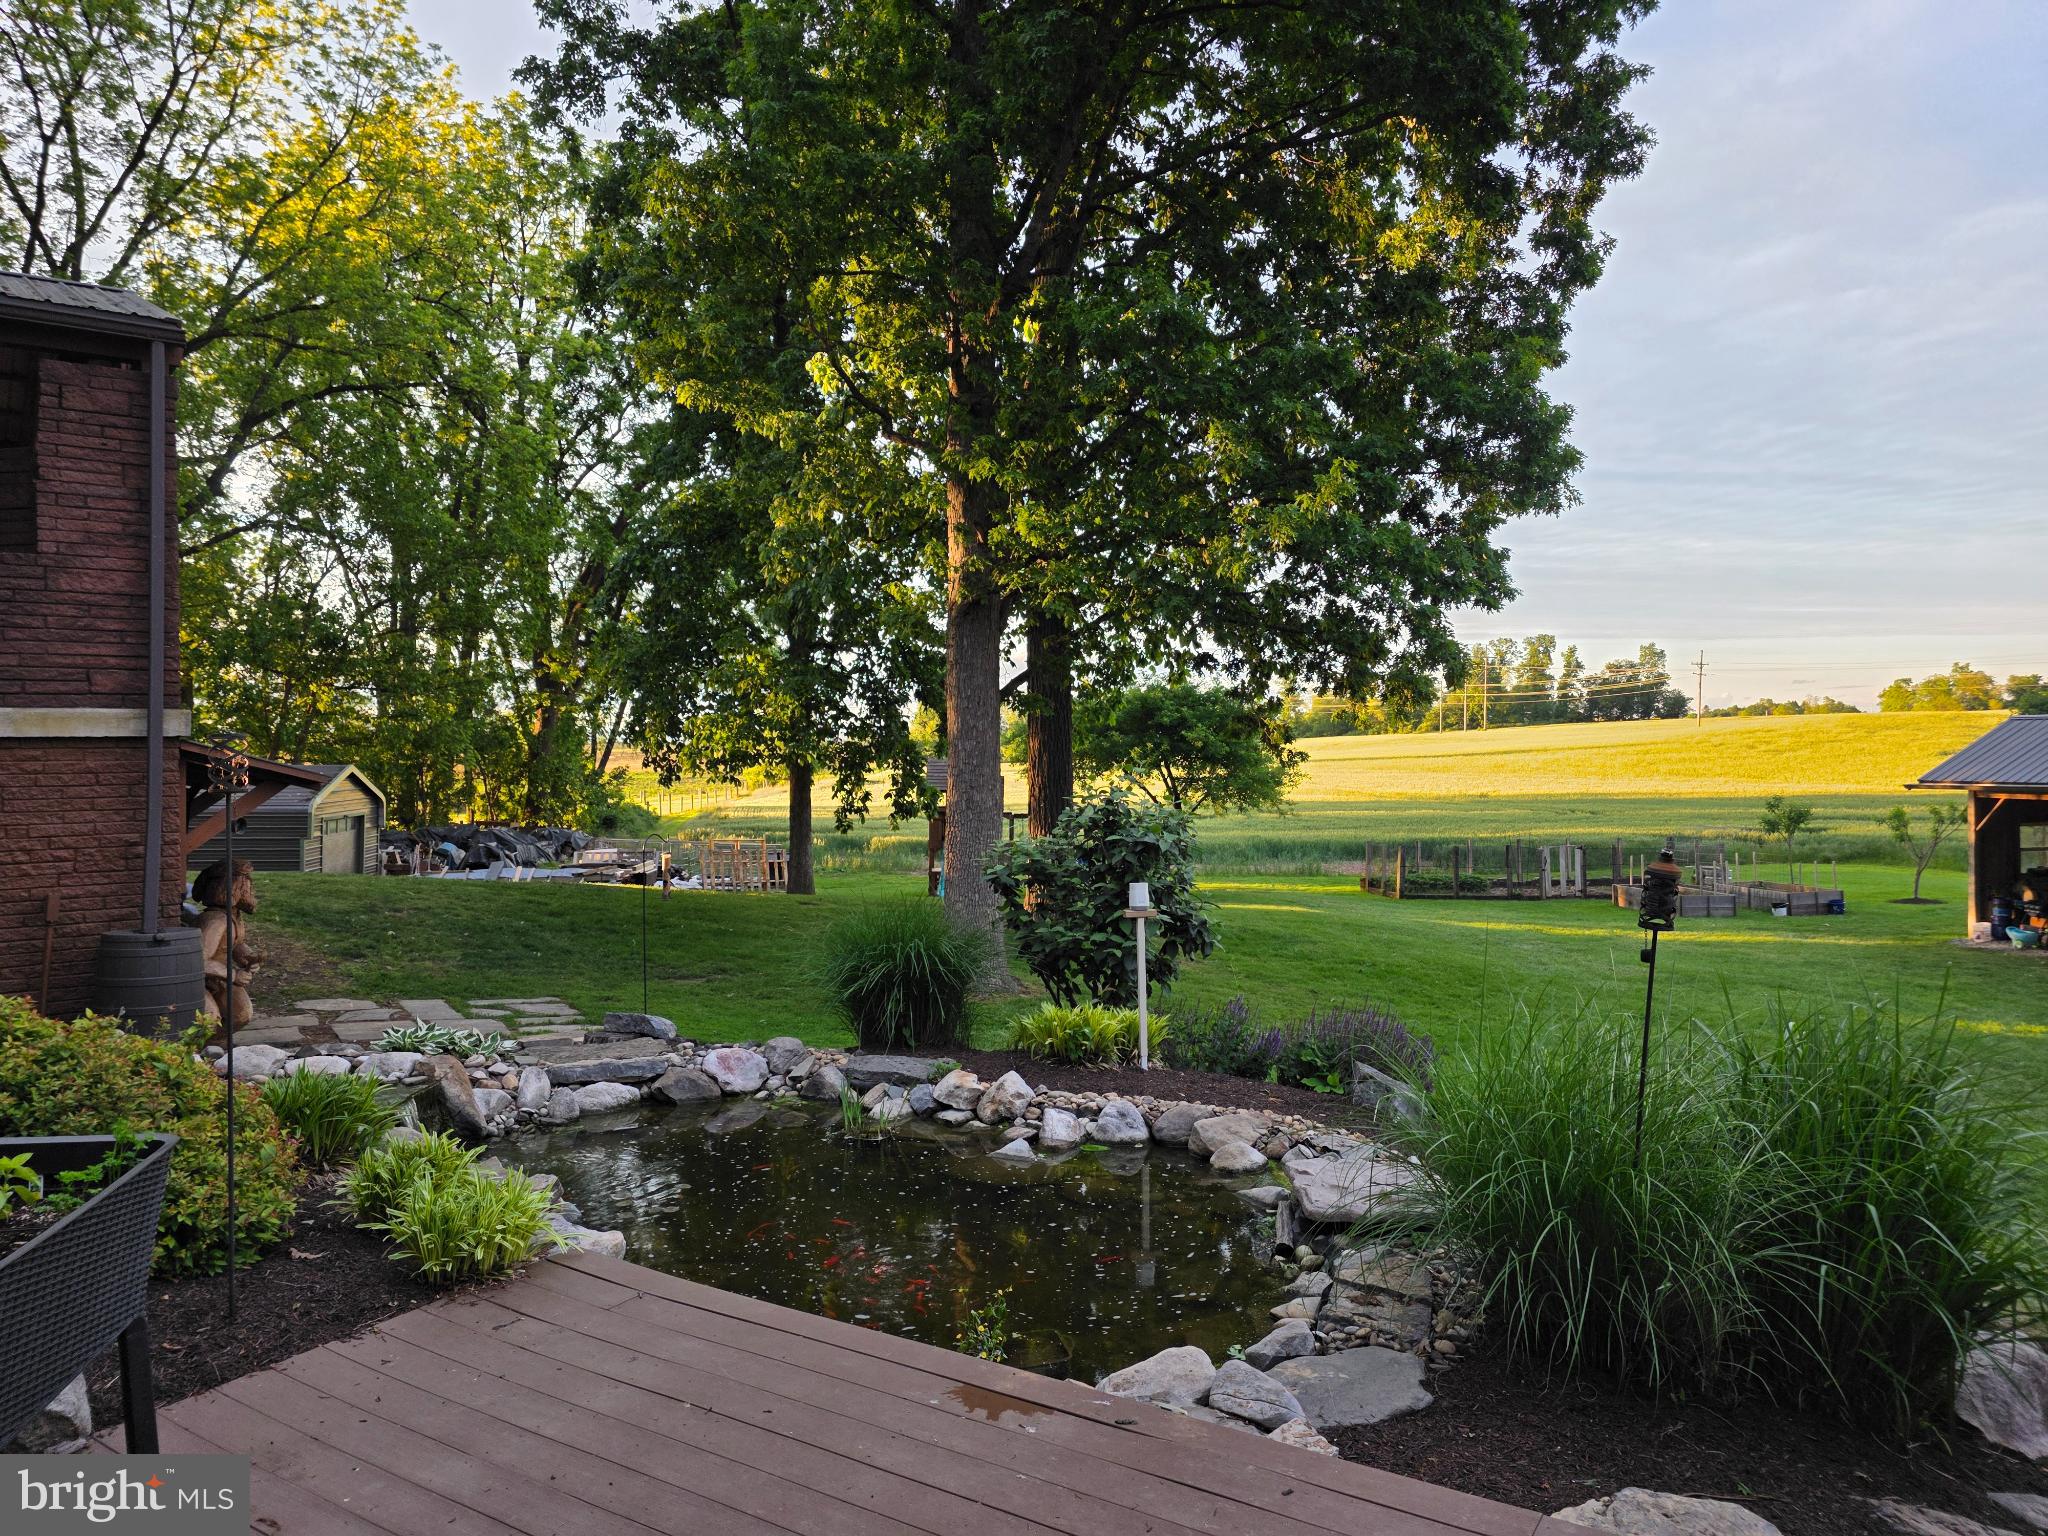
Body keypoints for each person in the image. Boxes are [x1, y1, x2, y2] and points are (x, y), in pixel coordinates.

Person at [192, 857, 260, 1028]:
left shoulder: (233, 917)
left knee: (240, 1013)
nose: (250, 889)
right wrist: (234, 975)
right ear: (232, 886)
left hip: (218, 979)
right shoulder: (216, 921)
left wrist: (248, 958)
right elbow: (198, 962)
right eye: (246, 882)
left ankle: (218, 1043)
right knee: (210, 1020)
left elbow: (233, 944)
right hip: (198, 982)